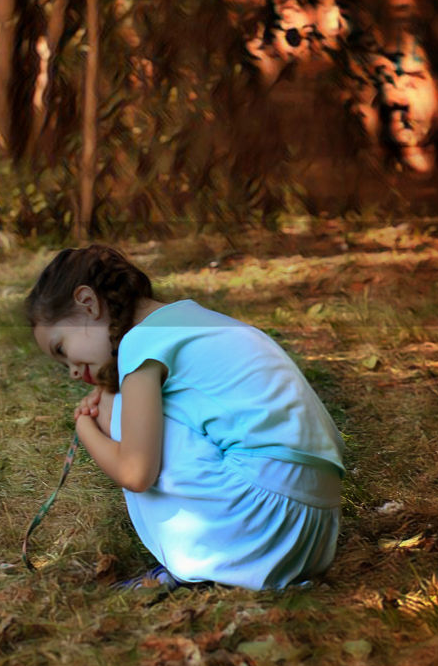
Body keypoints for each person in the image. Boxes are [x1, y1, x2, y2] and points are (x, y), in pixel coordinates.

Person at [25, 244, 345, 590]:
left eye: (62, 349)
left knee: (111, 407)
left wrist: (85, 426)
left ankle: (199, 559)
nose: (72, 372)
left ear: (88, 303)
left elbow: (135, 473)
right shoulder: (186, 318)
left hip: (260, 526)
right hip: (314, 523)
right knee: (113, 396)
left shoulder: (139, 344)